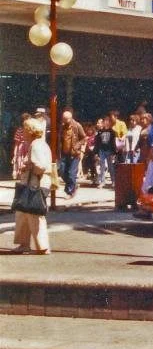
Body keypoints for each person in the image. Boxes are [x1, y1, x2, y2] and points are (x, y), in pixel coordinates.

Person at [12, 116, 52, 254]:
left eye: (24, 129)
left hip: (34, 184)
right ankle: (24, 244)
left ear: (30, 131)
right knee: (23, 214)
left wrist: (27, 166)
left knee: (34, 215)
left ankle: (42, 247)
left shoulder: (36, 145)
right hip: (34, 183)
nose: (22, 131)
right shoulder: (38, 144)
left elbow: (40, 166)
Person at [57, 109, 86, 201]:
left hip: (74, 154)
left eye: (66, 119)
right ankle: (73, 185)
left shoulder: (77, 126)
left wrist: (77, 146)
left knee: (71, 174)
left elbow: (84, 138)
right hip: (64, 154)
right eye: (63, 119)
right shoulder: (62, 127)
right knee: (61, 172)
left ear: (71, 118)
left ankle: (70, 192)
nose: (65, 121)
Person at [93, 116, 118, 188]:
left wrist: (114, 152)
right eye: (104, 121)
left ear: (110, 123)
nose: (106, 123)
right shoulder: (100, 132)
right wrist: (96, 152)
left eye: (108, 121)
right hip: (102, 150)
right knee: (102, 166)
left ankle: (113, 181)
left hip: (109, 150)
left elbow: (113, 143)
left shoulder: (112, 132)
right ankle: (102, 181)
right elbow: (97, 143)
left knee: (110, 166)